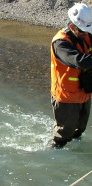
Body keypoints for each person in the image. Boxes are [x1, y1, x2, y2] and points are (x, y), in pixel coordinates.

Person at [51, 3, 92, 148]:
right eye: (83, 31)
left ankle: (75, 152)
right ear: (73, 27)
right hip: (66, 96)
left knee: (80, 129)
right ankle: (55, 154)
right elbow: (78, 61)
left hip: (83, 93)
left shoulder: (86, 36)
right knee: (63, 134)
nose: (86, 34)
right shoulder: (60, 43)